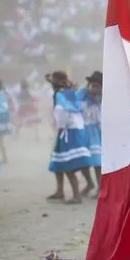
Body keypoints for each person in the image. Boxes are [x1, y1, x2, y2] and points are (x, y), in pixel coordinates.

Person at [45, 71, 92, 204]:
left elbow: (62, 113)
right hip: (72, 129)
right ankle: (60, 191)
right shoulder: (69, 92)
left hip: (68, 131)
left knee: (68, 164)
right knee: (58, 162)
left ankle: (76, 195)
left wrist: (60, 125)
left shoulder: (61, 95)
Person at [77, 71, 102, 198]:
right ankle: (89, 183)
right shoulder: (80, 95)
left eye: (97, 86)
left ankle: (100, 187)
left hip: (96, 132)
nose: (93, 88)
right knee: (82, 160)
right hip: (82, 131)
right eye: (92, 85)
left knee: (97, 162)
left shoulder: (103, 98)